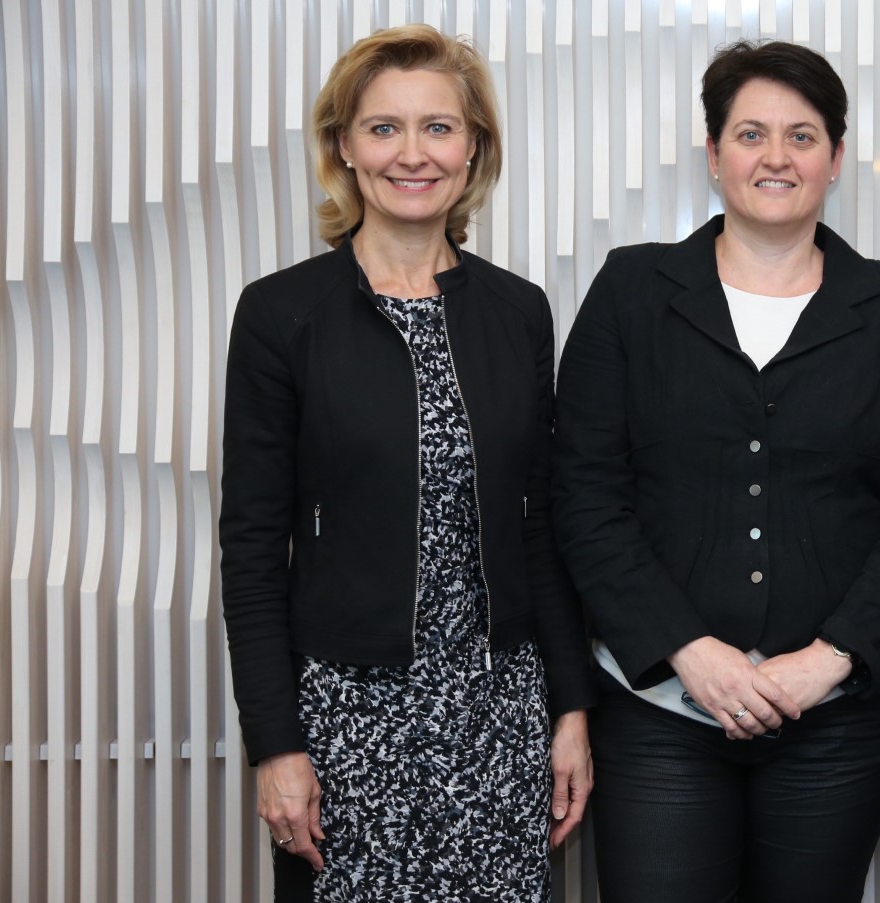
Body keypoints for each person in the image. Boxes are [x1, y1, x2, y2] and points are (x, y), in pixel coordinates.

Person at [552, 39, 880, 902]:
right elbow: (586, 493)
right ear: (712, 155)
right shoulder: (632, 291)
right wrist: (686, 651)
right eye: (750, 134)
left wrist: (830, 658)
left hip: (841, 721)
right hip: (659, 710)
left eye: (802, 135)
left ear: (836, 158)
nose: (775, 157)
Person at [219, 24, 594, 901]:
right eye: (384, 127)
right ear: (344, 148)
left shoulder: (519, 312)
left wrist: (571, 709)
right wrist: (277, 744)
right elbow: (251, 549)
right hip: (347, 721)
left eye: (438, 127)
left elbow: (542, 531)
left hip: (500, 719)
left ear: (472, 149)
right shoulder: (282, 315)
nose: (412, 153)